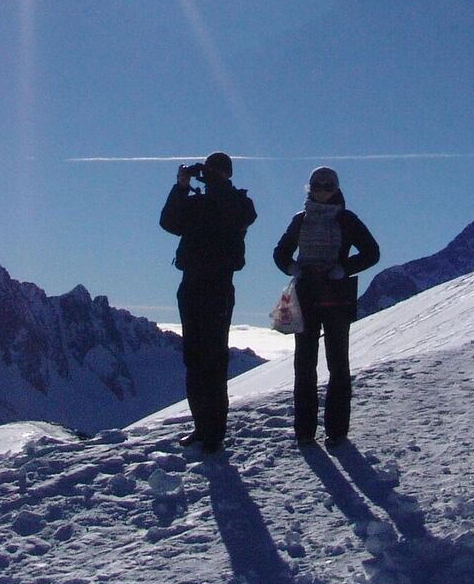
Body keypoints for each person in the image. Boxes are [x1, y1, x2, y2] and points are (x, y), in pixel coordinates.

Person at [272, 165, 380, 446]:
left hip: (335, 296)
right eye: (317, 185)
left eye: (327, 185)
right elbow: (280, 253)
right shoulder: (301, 220)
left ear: (336, 188)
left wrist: (343, 269)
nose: (322, 190)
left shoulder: (346, 219)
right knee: (304, 366)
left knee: (338, 364)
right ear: (309, 188)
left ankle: (336, 431)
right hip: (309, 295)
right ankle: (305, 432)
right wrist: (292, 267)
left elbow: (372, 252)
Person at [160, 151, 256, 453]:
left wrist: (215, 185)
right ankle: (201, 426)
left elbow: (242, 215)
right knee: (193, 358)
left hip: (218, 285)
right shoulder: (197, 203)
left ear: (227, 174)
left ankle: (214, 431)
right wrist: (181, 186)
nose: (211, 175)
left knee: (214, 359)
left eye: (216, 171)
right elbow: (169, 221)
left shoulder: (238, 202)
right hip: (191, 283)